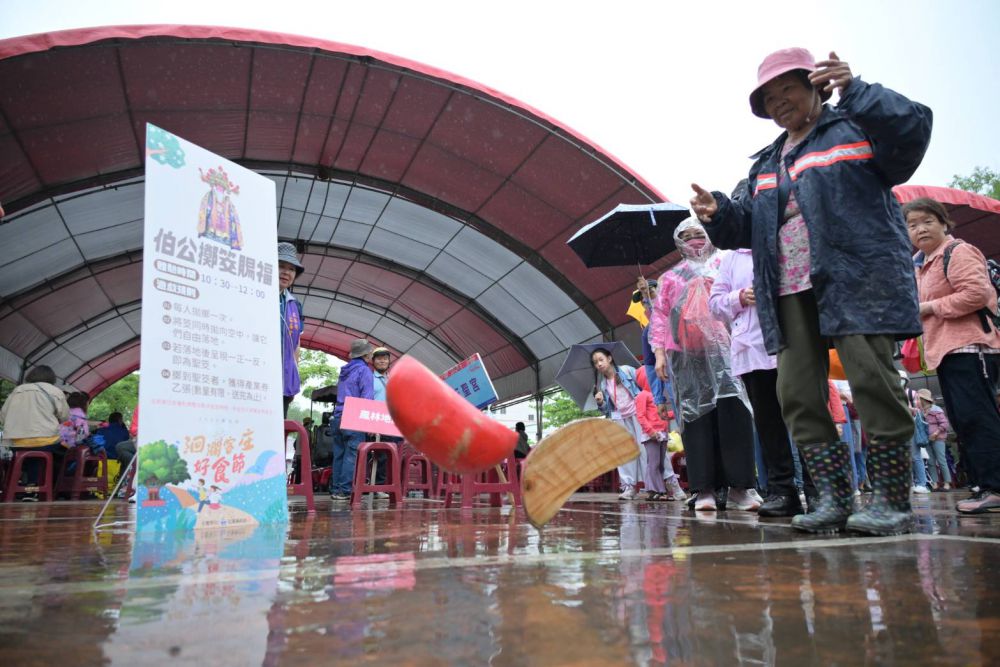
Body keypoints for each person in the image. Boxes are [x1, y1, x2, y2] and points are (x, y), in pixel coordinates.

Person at [691, 48, 932, 534]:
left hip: (855, 277)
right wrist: (718, 213)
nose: (780, 103)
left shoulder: (854, 127)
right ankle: (832, 499)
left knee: (871, 379)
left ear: (816, 86)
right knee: (796, 392)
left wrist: (858, 91)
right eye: (769, 97)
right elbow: (748, 228)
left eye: (788, 91)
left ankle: (891, 502)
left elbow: (912, 133)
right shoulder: (764, 164)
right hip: (787, 288)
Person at [650, 219, 760, 512]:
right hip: (687, 358)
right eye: (686, 236)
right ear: (678, 243)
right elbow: (659, 318)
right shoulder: (670, 278)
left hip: (729, 352)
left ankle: (740, 487)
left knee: (734, 415)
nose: (694, 240)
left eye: (699, 234)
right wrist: (659, 354)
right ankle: (704, 489)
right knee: (696, 419)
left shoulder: (727, 263)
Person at [905, 196, 1000, 513]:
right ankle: (981, 485)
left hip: (970, 346)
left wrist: (930, 307)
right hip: (945, 350)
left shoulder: (957, 252)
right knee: (963, 418)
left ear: (944, 223)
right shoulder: (921, 263)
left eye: (927, 221)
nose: (920, 229)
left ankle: (995, 486)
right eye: (912, 224)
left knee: (977, 416)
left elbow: (977, 294)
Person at [709, 244, 815, 516]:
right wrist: (740, 297)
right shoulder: (731, 258)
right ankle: (783, 491)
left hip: (793, 341)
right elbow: (715, 304)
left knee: (806, 418)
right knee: (769, 425)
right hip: (753, 349)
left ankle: (819, 490)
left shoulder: (788, 240)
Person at [0, 365, 70, 500]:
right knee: (63, 454)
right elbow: (65, 417)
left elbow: (3, 416)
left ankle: (26, 486)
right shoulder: (55, 391)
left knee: (28, 457)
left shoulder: (17, 390)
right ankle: (48, 489)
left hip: (17, 442)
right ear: (51, 378)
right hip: (46, 440)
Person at [591, 347, 647, 500]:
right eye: (595, 362)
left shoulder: (627, 371)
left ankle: (659, 485)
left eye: (601, 360)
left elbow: (645, 386)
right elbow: (606, 410)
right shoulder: (602, 385)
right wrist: (601, 402)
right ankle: (629, 487)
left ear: (609, 358)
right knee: (625, 452)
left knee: (646, 449)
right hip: (620, 418)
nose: (599, 364)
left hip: (638, 414)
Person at [329, 338, 375, 501]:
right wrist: (368, 424)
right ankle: (345, 490)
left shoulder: (345, 371)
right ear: (366, 354)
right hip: (354, 416)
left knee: (339, 454)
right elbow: (367, 398)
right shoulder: (365, 371)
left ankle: (336, 489)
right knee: (351, 455)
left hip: (338, 415)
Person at [634, 369, 686, 501]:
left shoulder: (658, 396)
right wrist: (650, 431)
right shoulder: (642, 395)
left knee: (660, 464)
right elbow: (640, 416)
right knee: (654, 463)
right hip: (652, 435)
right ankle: (653, 489)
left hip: (662, 434)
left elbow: (662, 416)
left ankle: (660, 489)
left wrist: (675, 413)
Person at [278, 242, 305, 417]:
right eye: (281, 266)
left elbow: (296, 344)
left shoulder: (294, 304)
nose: (286, 272)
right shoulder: (254, 294)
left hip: (283, 380)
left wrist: (294, 374)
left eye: (292, 269)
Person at [368, 346, 399, 496]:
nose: (382, 361)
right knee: (378, 456)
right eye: (379, 358)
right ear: (372, 361)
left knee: (391, 456)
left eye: (385, 358)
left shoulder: (392, 379)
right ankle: (376, 487)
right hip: (375, 422)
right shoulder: (369, 379)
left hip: (392, 423)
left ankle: (389, 485)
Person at [916, 388, 952, 491]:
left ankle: (947, 483)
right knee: (931, 462)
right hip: (926, 439)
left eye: (919, 398)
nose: (917, 400)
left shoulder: (936, 409)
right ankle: (935, 483)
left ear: (923, 399)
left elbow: (945, 424)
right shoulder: (920, 411)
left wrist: (936, 433)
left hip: (938, 438)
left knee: (941, 460)